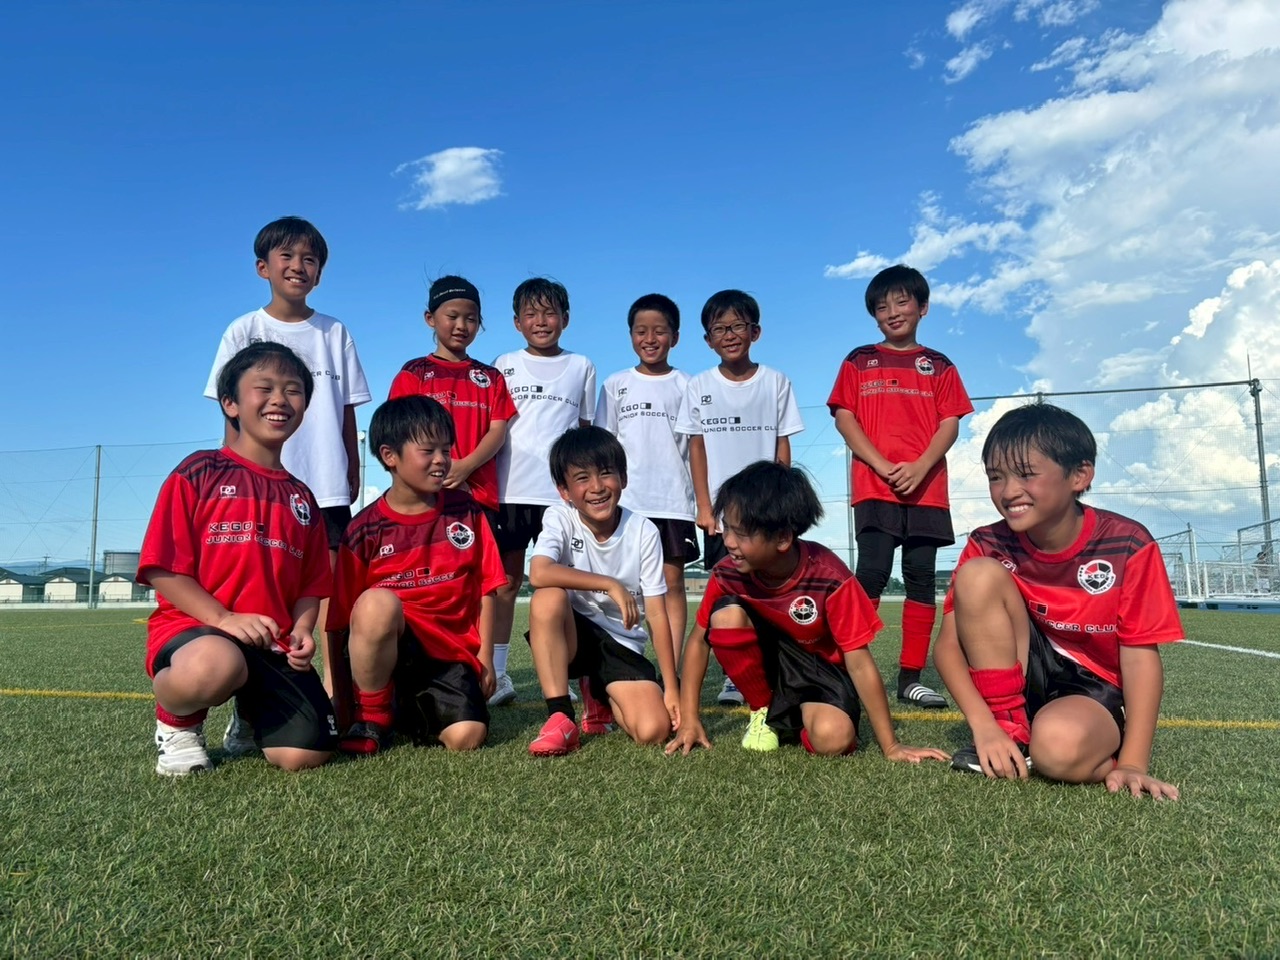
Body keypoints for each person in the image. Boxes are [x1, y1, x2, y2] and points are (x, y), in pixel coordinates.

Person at [933, 403, 1183, 799]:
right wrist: (984, 727)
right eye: (996, 477)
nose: (1008, 491)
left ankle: (1082, 748)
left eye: (1026, 474)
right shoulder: (986, 542)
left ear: (1079, 475)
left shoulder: (1128, 543)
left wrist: (1134, 762)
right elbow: (948, 647)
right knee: (978, 575)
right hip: (1020, 675)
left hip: (1092, 688)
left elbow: (1139, 657)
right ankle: (1011, 730)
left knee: (1057, 751)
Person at [666, 460, 948, 765]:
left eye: (742, 533)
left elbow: (859, 662)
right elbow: (698, 642)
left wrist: (891, 745)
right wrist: (690, 719)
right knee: (725, 617)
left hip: (819, 672)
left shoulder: (830, 577)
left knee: (833, 738)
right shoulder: (727, 573)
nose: (729, 542)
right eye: (727, 528)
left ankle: (793, 721)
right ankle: (762, 709)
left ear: (783, 538)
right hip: (768, 666)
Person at [140, 342, 337, 776]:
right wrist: (224, 618)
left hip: (272, 642)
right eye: (264, 388)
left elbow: (311, 586)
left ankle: (250, 714)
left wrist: (302, 631)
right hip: (198, 632)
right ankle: (177, 726)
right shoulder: (199, 471)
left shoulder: (302, 497)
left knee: (305, 756)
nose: (279, 399)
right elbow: (163, 569)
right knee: (215, 664)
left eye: (293, 390)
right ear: (230, 403)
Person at [204, 216, 372, 724]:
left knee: (327, 593)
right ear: (263, 267)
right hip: (258, 487)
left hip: (324, 485)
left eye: (310, 259)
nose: (299, 266)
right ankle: (250, 692)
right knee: (262, 587)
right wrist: (230, 474)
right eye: (287, 257)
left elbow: (347, 408)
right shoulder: (244, 330)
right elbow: (228, 408)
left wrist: (351, 464)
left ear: (319, 272)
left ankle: (332, 691)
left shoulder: (334, 331)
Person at [827, 264, 972, 711]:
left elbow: (950, 422)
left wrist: (921, 466)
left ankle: (911, 678)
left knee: (920, 577)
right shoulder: (858, 360)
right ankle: (843, 669)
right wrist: (882, 464)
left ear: (922, 307)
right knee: (871, 571)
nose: (892, 311)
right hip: (875, 485)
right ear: (873, 315)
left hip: (927, 488)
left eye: (902, 301)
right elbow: (845, 418)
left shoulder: (940, 365)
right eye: (881, 306)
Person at [325, 396, 506, 754]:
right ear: (389, 455)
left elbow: (488, 588)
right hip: (387, 653)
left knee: (467, 738)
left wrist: (486, 658)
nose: (441, 460)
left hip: (449, 657)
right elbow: (339, 620)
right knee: (377, 603)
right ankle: (373, 714)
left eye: (446, 450)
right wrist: (339, 698)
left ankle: (407, 712)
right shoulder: (364, 529)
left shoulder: (466, 511)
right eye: (428, 450)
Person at [676, 289, 803, 719]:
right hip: (722, 517)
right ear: (707, 339)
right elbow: (696, 448)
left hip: (765, 512)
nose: (729, 335)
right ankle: (736, 673)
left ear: (755, 332)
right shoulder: (698, 386)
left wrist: (782, 503)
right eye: (719, 329)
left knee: (771, 590)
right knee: (728, 593)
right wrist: (705, 507)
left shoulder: (776, 382)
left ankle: (778, 667)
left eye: (737, 326)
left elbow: (782, 445)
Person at [525, 426, 680, 756]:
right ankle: (560, 717)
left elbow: (656, 614)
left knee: (652, 730)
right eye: (582, 478)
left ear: (623, 478)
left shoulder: (644, 531)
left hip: (620, 643)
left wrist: (671, 687)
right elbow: (538, 572)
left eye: (606, 473)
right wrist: (610, 584)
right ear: (564, 490)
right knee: (548, 596)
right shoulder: (560, 517)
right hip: (574, 635)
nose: (597, 487)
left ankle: (599, 693)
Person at [489, 278, 597, 708]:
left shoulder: (581, 366)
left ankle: (564, 675)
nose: (541, 321)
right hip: (510, 490)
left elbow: (585, 432)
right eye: (531, 314)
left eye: (549, 313)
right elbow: (493, 427)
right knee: (506, 583)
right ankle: (498, 674)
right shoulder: (504, 364)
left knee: (564, 588)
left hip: (560, 497)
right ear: (517, 322)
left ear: (565, 319)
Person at [595, 293, 699, 661]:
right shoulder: (615, 384)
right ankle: (626, 663)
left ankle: (672, 669)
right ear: (631, 336)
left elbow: (697, 449)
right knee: (623, 583)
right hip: (626, 502)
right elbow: (603, 446)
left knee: (671, 584)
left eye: (659, 331)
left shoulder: (688, 385)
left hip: (673, 502)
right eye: (641, 331)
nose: (650, 339)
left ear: (676, 337)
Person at [388, 275, 516, 516]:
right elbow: (400, 433)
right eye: (452, 316)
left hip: (479, 497)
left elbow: (498, 431)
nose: (461, 326)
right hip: (426, 497)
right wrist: (440, 470)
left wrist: (465, 467)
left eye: (471, 319)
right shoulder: (414, 373)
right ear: (430, 318)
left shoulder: (492, 377)